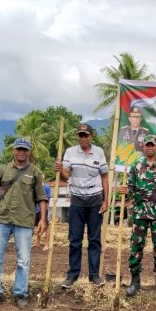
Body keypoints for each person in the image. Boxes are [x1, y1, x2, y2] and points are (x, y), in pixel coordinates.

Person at [0, 138, 48, 309]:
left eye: (24, 150)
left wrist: (42, 220)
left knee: (23, 261)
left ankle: (20, 294)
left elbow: (42, 198)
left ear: (29, 152)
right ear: (13, 150)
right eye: (18, 149)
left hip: (24, 221)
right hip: (1, 219)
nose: (21, 152)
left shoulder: (35, 173)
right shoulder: (3, 170)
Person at [119, 134, 156, 297]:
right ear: (143, 147)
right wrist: (126, 191)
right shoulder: (135, 166)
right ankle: (135, 281)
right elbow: (130, 188)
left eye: (153, 145)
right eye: (147, 145)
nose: (150, 147)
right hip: (139, 213)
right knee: (136, 246)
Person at [56, 122, 109, 288]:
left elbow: (105, 177)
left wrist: (106, 200)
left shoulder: (99, 152)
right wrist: (58, 169)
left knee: (94, 239)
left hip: (95, 199)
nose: (83, 138)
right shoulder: (70, 152)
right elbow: (65, 176)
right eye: (80, 135)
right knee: (75, 239)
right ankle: (72, 275)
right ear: (77, 136)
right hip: (77, 199)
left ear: (91, 137)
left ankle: (94, 275)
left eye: (86, 135)